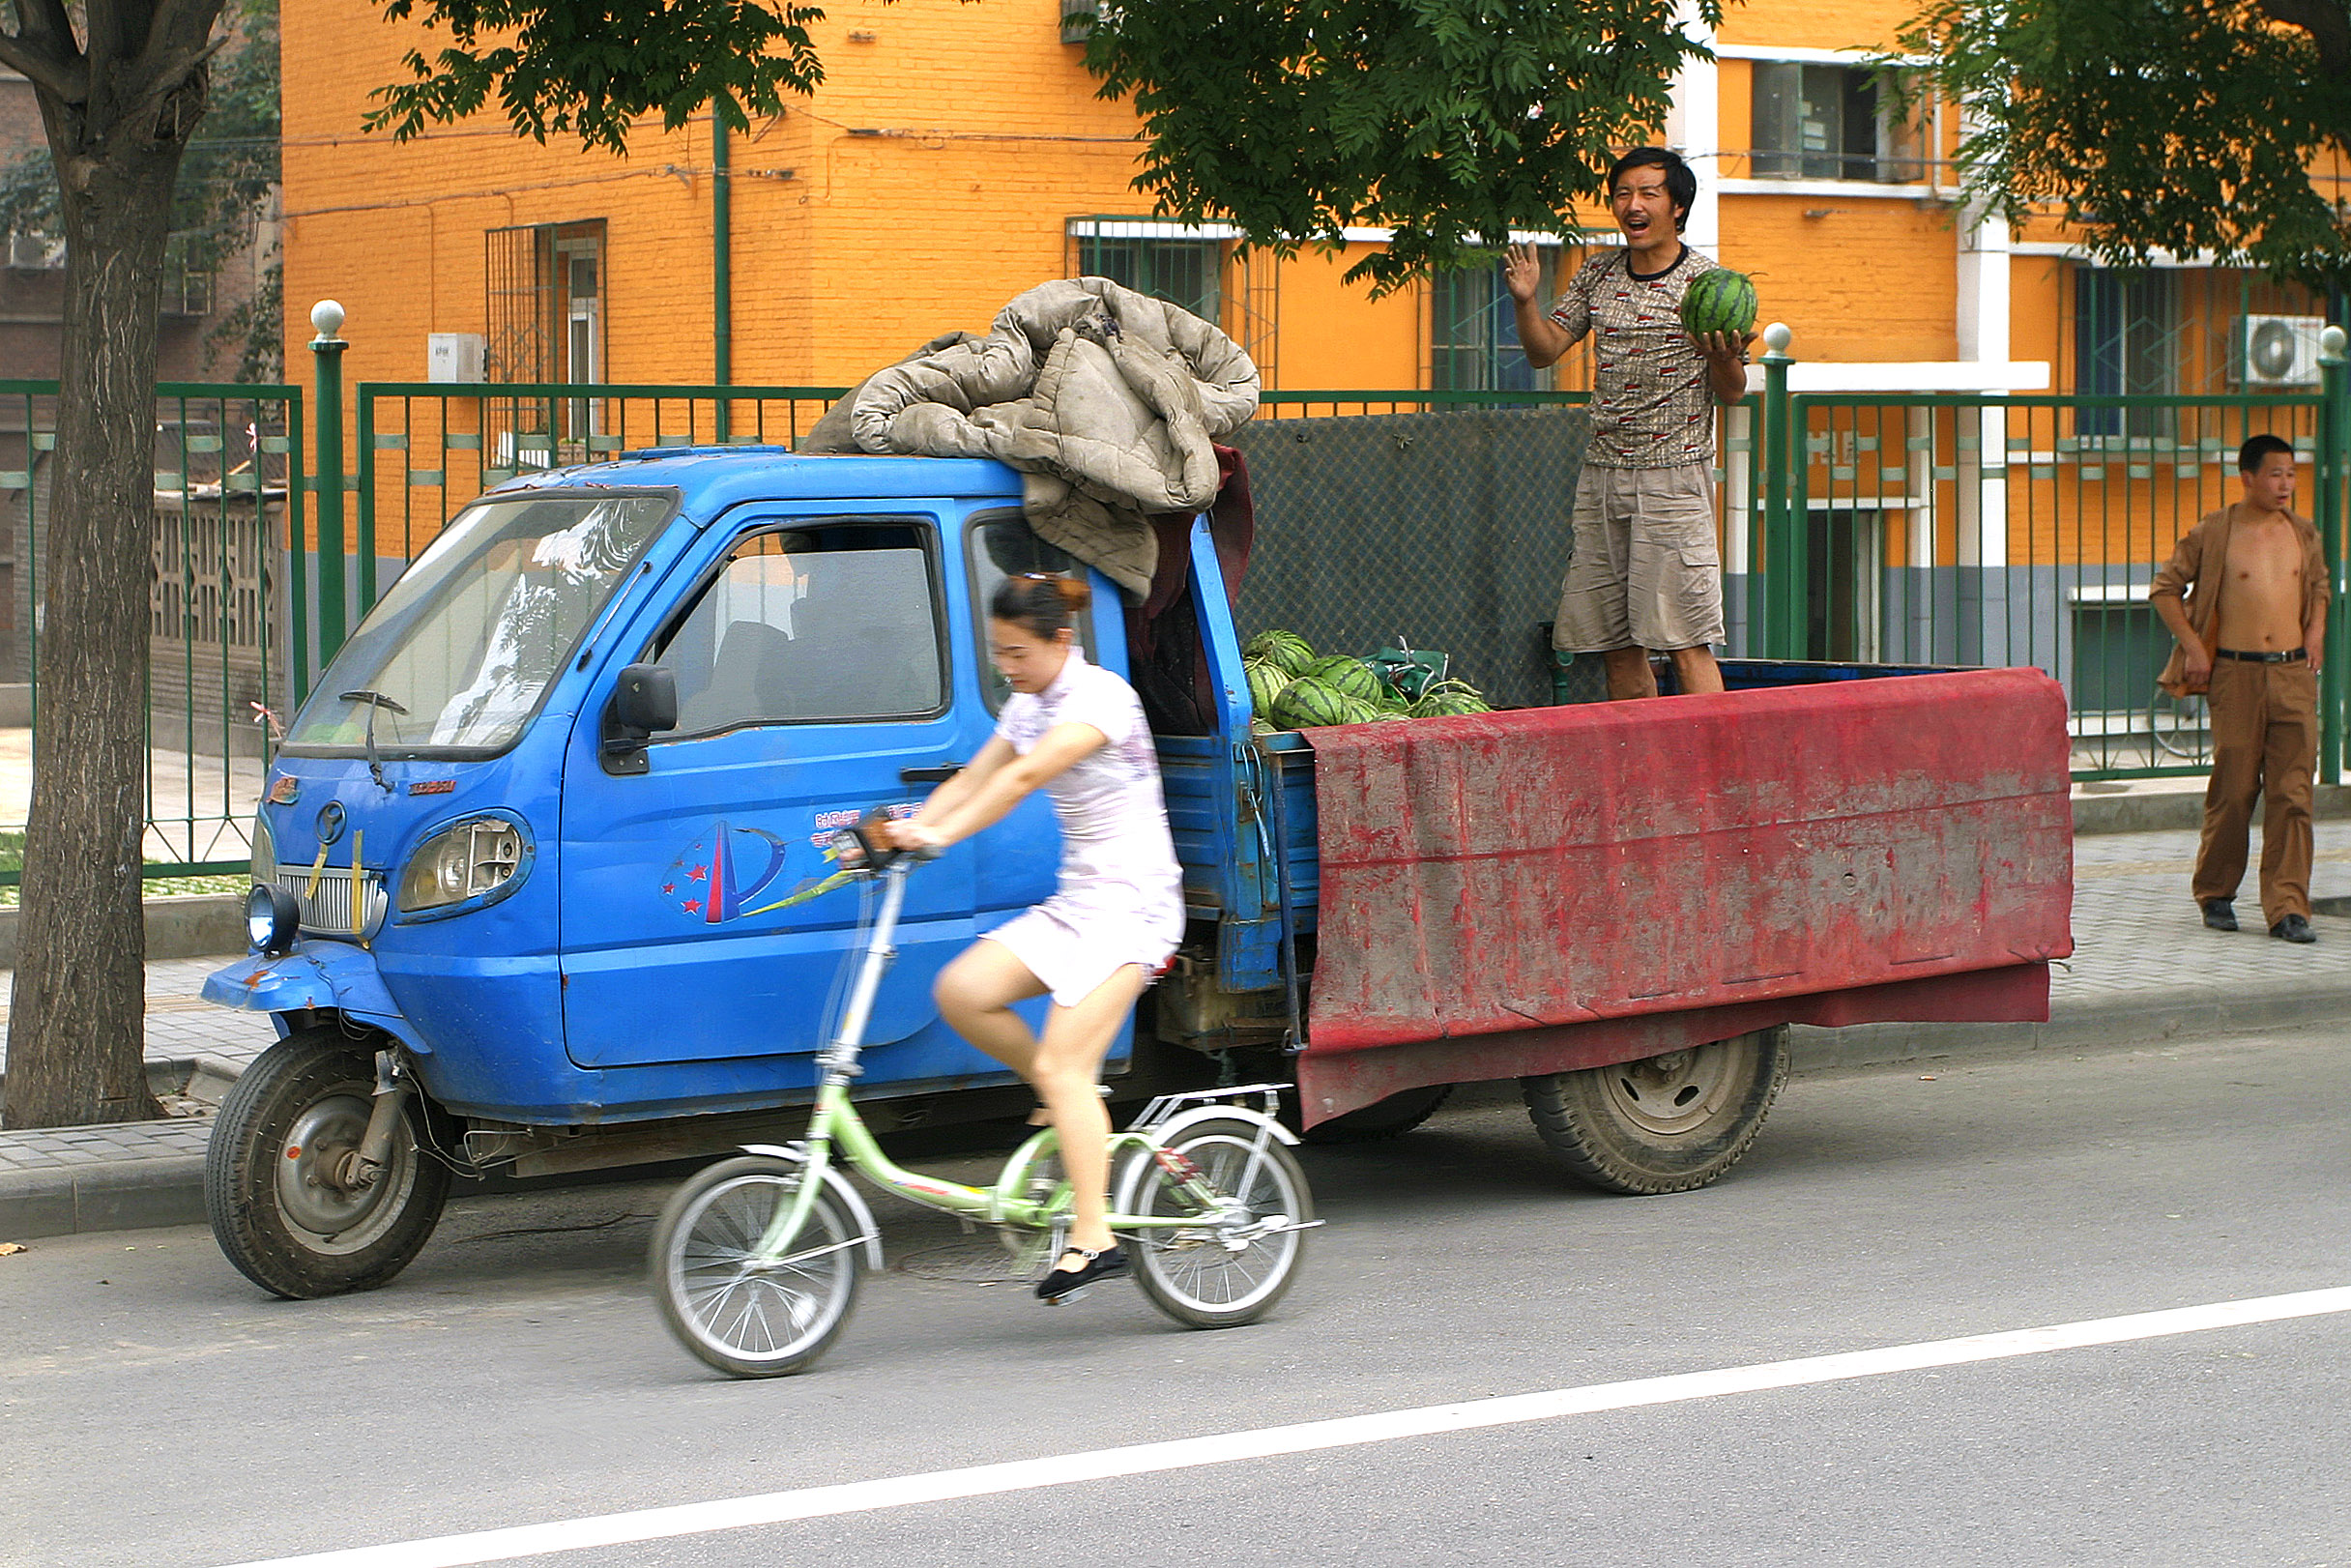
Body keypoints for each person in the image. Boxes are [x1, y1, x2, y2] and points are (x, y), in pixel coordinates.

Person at [880, 572, 1185, 1300]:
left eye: (1017, 651)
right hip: (1081, 899)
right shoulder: (1028, 702)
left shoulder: (1102, 698)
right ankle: (1059, 1086)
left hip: (1134, 906)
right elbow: (972, 776)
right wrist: (910, 826)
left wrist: (938, 836)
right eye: (999, 652)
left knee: (1065, 1067)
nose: (1006, 666)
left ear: (1061, 640)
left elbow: (1023, 781)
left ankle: (1094, 1236)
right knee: (963, 992)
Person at [1505, 147, 1755, 701]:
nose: (1632, 205)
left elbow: (1733, 391)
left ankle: (1710, 770)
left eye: (1648, 193)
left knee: (1687, 639)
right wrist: (1526, 302)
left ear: (1678, 208)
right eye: (1622, 194)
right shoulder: (1598, 273)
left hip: (1673, 480)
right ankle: (1642, 771)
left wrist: (1720, 354)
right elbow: (1545, 352)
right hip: (1601, 479)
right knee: (1616, 643)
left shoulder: (1706, 284)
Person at [2151, 432, 2331, 944]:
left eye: (2292, 474)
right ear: (2247, 476)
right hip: (2235, 674)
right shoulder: (2216, 531)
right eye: (2275, 474)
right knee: (2233, 790)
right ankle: (2216, 892)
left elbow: (2319, 584)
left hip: (2293, 675)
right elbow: (2165, 589)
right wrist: (2194, 647)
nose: (2286, 484)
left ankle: (2288, 907)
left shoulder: (2303, 532)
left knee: (2293, 794)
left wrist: (2315, 630)